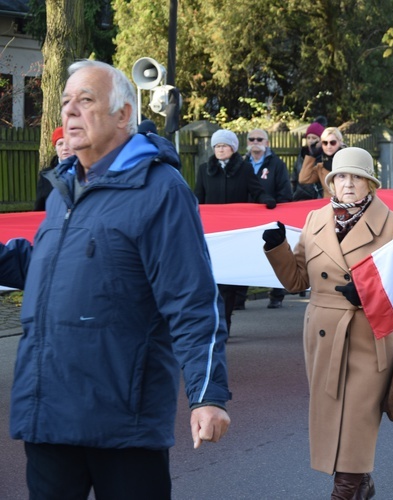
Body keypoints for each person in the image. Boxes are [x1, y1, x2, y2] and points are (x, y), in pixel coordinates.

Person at [0, 60, 231, 499]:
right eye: (66, 102)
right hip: (47, 415)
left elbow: (192, 299)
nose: (69, 112)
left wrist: (207, 394)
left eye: (85, 101)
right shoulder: (64, 188)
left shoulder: (160, 190)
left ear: (123, 114)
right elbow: (46, 269)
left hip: (123, 422)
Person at [262, 147, 393, 498]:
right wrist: (278, 250)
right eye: (341, 177)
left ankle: (346, 489)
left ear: (370, 183)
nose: (348, 184)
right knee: (331, 416)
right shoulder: (315, 219)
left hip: (371, 337)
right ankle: (360, 483)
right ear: (332, 182)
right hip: (322, 335)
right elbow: (297, 281)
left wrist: (366, 293)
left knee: (357, 418)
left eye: (357, 177)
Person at [194, 128, 276, 334]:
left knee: (228, 283)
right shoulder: (204, 169)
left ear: (233, 148)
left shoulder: (245, 169)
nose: (220, 149)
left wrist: (266, 200)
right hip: (212, 233)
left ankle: (225, 323)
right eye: (217, 146)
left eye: (224, 145)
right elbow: (198, 198)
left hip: (234, 232)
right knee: (213, 280)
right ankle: (212, 321)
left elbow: (256, 191)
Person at [244, 128, 293, 309]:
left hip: (271, 216)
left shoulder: (277, 164)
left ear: (267, 143)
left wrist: (277, 211)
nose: (255, 142)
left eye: (259, 139)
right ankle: (239, 296)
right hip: (248, 218)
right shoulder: (242, 164)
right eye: (251, 139)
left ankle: (276, 293)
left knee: (274, 254)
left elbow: (285, 191)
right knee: (247, 255)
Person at [298, 126, 346, 198]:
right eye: (325, 143)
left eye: (332, 142)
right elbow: (303, 179)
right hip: (328, 205)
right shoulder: (321, 167)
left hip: (348, 204)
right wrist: (311, 155)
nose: (328, 146)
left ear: (340, 142)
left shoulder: (348, 162)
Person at [33, 126, 72, 211]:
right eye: (60, 144)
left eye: (69, 143)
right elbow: (40, 208)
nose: (65, 148)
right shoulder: (46, 176)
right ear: (55, 148)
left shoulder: (86, 172)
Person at [292, 121, 326, 200]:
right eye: (308, 138)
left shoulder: (325, 157)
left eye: (314, 138)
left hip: (317, 200)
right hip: (300, 199)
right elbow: (294, 179)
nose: (310, 141)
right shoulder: (301, 155)